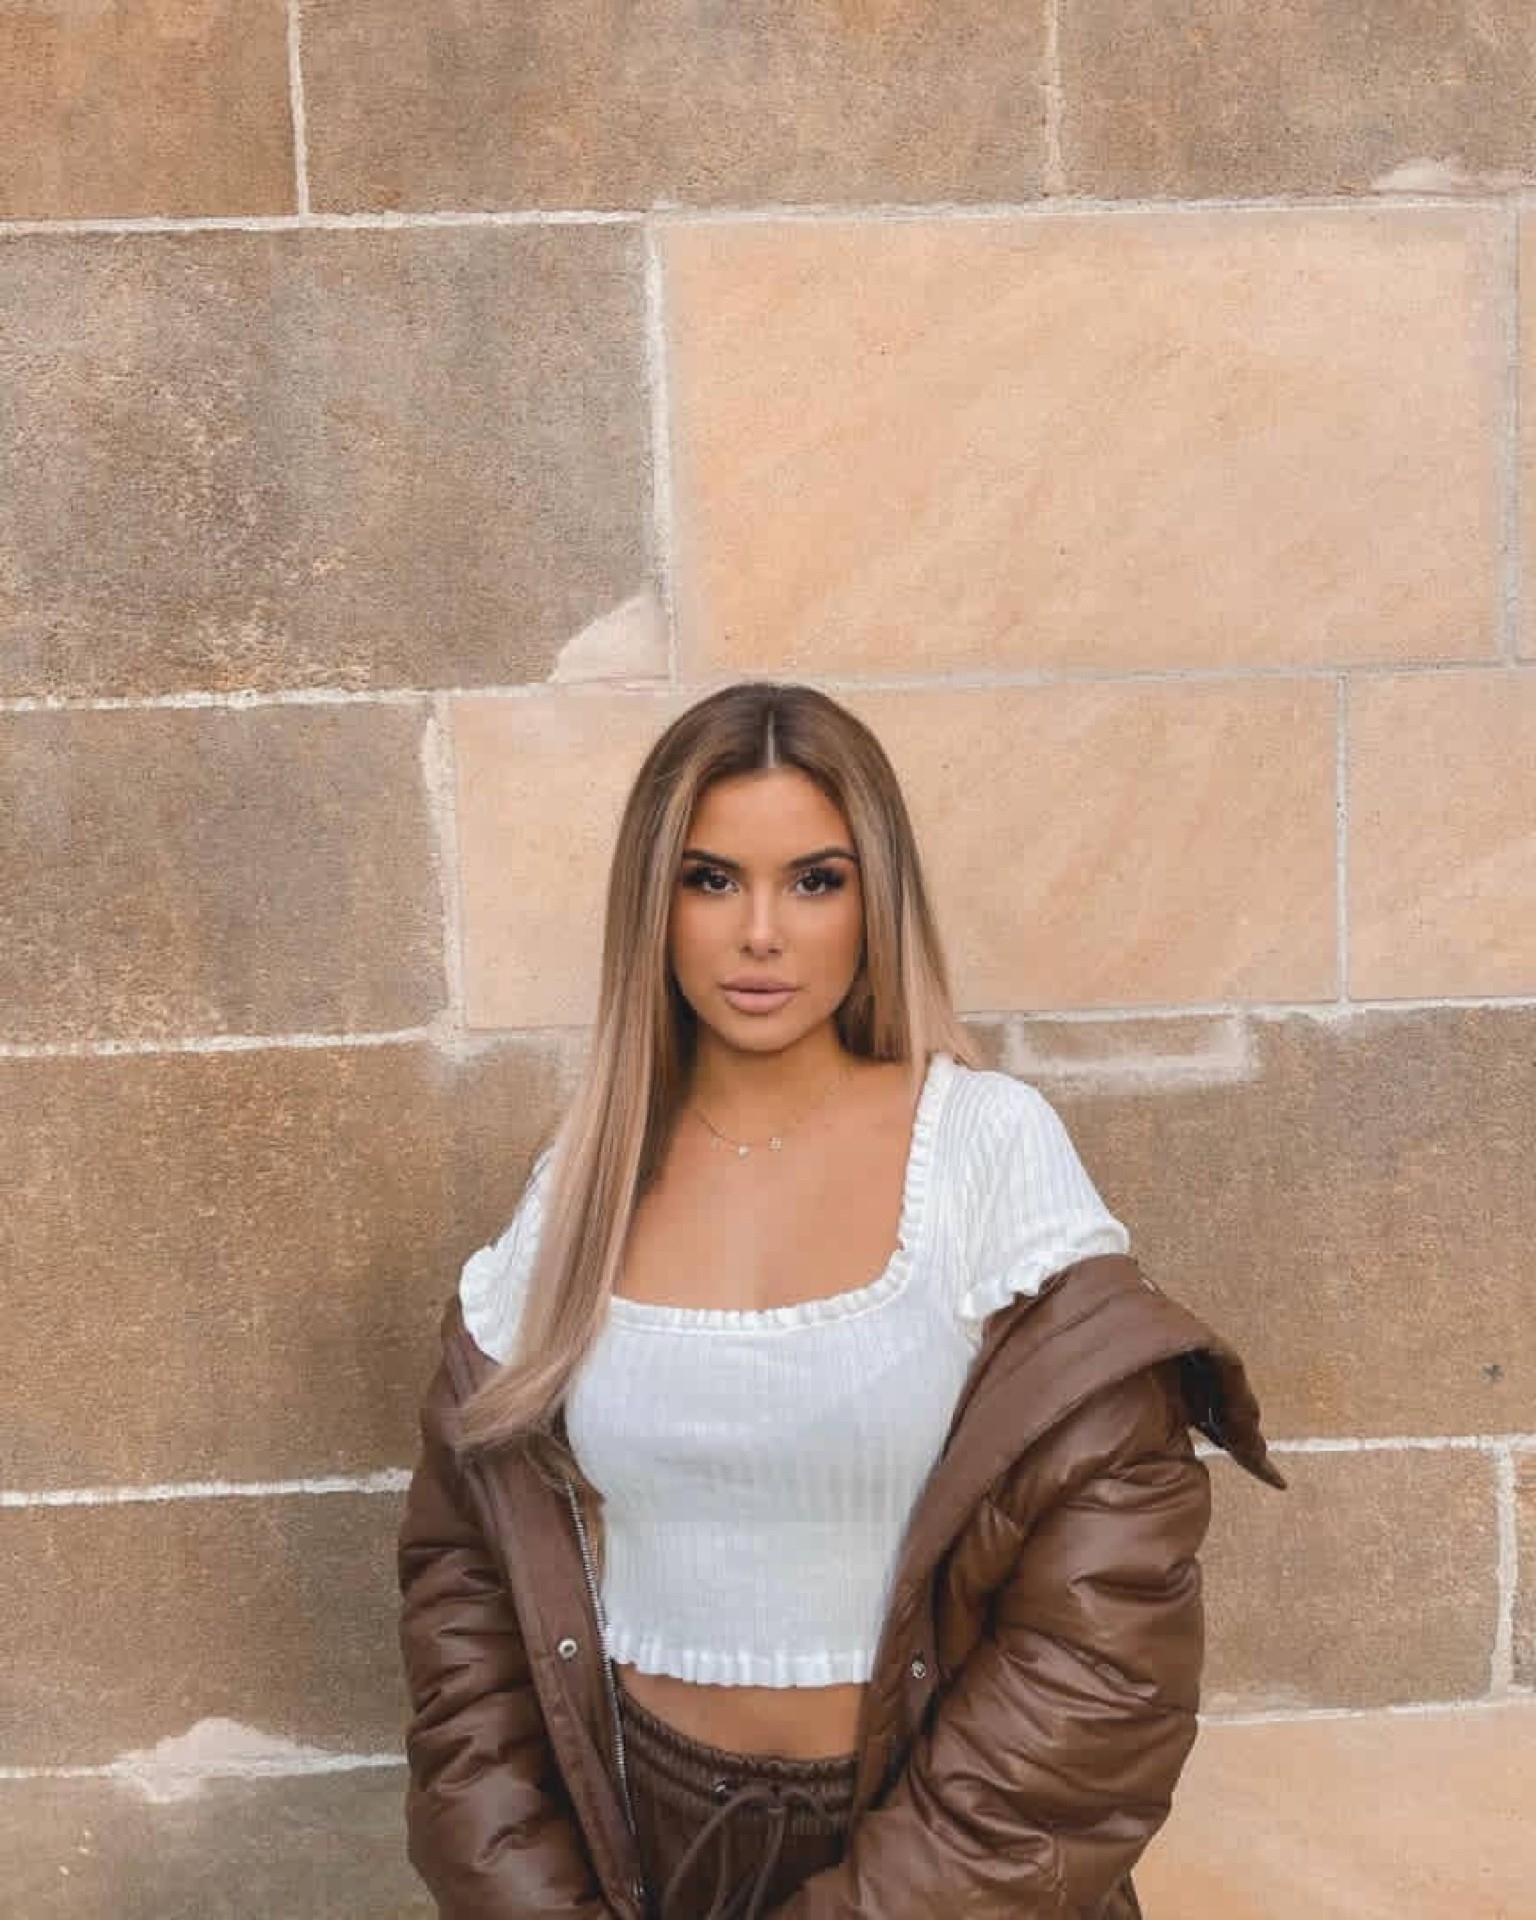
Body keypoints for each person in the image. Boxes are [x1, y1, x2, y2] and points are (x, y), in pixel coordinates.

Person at [397, 680, 1284, 1920]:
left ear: (877, 901)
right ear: (652, 906)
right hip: (635, 1856)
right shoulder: (582, 1184)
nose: (760, 932)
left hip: (946, 1860)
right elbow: (468, 1590)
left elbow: (1106, 1629)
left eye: (815, 880)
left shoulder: (984, 1150)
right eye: (711, 880)